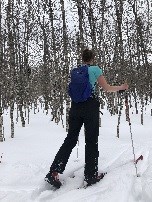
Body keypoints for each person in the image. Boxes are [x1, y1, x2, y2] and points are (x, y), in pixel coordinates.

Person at [45, 49, 128, 188]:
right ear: (93, 58)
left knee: (70, 139)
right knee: (91, 140)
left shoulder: (75, 70)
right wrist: (122, 87)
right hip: (90, 106)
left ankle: (54, 171)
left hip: (76, 107)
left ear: (82, 58)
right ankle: (90, 175)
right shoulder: (95, 69)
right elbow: (107, 88)